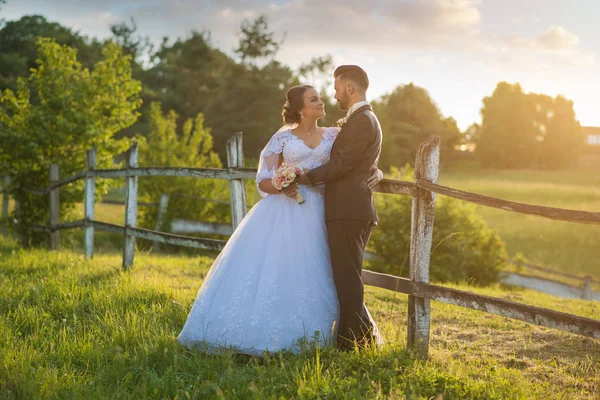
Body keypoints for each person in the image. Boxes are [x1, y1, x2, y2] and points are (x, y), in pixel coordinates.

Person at [177, 80, 383, 356]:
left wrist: (376, 171)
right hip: (284, 210)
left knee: (330, 268)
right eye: (314, 100)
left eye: (321, 97)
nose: (322, 102)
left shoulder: (335, 134)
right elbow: (263, 179)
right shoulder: (282, 138)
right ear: (300, 110)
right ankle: (269, 331)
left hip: (324, 210)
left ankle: (332, 334)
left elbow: (356, 157)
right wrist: (281, 186)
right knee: (280, 267)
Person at [298, 65, 382, 349]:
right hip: (349, 208)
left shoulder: (361, 120)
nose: (333, 95)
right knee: (347, 276)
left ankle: (354, 343)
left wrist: (307, 178)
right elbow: (357, 160)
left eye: (336, 89)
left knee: (347, 279)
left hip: (348, 209)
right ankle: (355, 341)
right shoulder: (362, 119)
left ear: (349, 88)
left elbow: (343, 164)